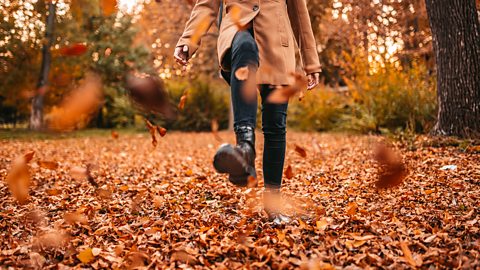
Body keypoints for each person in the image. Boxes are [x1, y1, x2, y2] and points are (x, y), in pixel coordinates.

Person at [174, 0, 321, 220]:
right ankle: (245, 148)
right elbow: (206, 5)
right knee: (245, 46)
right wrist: (188, 39)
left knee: (275, 125)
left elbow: (299, 13)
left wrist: (311, 62)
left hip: (277, 45)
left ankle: (274, 205)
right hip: (238, 32)